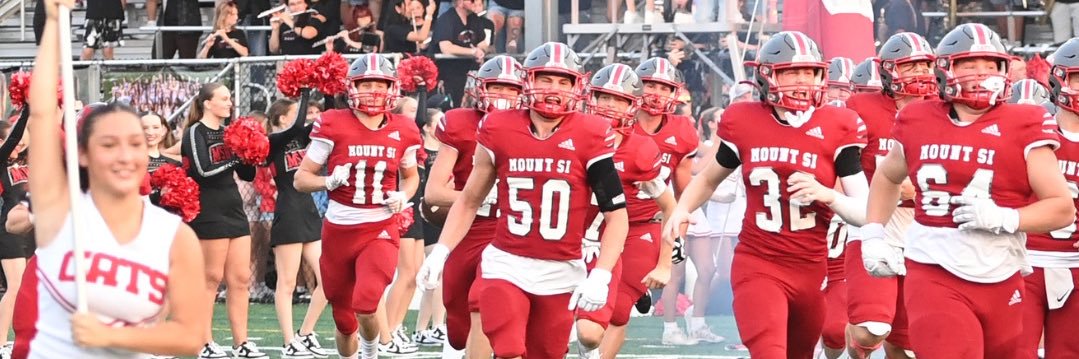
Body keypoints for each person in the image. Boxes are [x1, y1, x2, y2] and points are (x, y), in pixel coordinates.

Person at [862, 23, 1073, 358]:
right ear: (946, 69)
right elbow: (887, 176)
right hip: (932, 266)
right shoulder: (917, 118)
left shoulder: (1025, 123)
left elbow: (1061, 208)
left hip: (1001, 271)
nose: (981, 73)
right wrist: (873, 233)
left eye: (991, 65)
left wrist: (1005, 218)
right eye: (969, 64)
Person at [665, 31, 871, 358]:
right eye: (791, 72)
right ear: (767, 76)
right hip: (758, 261)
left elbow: (866, 211)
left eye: (809, 72)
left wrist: (828, 196)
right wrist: (682, 208)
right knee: (769, 351)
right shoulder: (744, 120)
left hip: (811, 268)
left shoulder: (838, 124)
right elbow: (708, 179)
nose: (802, 81)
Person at [19, 0, 208, 356]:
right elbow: (41, 113)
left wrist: (109, 337)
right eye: (108, 144)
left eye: (135, 144)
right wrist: (55, 19)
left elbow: (189, 337)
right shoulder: (59, 212)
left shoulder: (174, 237)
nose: (124, 156)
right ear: (83, 154)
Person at [417, 42, 629, 359]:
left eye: (563, 81)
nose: (554, 89)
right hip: (506, 263)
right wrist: (441, 252)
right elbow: (469, 200)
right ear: (528, 80)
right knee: (508, 349)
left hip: (562, 270)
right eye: (546, 79)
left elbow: (616, 214)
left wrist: (602, 273)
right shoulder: (498, 127)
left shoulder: (591, 133)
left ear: (576, 86)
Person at [293, 54, 422, 359]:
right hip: (339, 229)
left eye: (380, 84)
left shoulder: (405, 128)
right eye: (367, 84)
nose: (374, 90)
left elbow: (412, 177)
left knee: (366, 302)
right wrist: (327, 182)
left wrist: (403, 195)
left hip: (380, 226)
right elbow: (301, 179)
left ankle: (370, 353)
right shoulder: (333, 123)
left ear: (392, 88)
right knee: (344, 321)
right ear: (353, 87)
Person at [419, 55, 524, 359]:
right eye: (496, 87)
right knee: (457, 327)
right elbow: (434, 193)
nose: (503, 95)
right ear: (480, 89)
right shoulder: (459, 123)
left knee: (485, 301)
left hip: (512, 232)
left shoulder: (534, 126)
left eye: (511, 89)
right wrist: (477, 197)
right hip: (468, 229)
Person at [573, 64, 677, 359]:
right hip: (573, 236)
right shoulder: (571, 136)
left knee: (616, 313)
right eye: (604, 97)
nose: (609, 105)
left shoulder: (639, 150)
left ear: (632, 105)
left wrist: (665, 263)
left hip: (630, 233)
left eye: (618, 100)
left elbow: (669, 206)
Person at [843, 31, 935, 359]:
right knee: (871, 329)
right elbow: (841, 164)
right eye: (910, 66)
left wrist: (917, 190)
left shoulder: (943, 110)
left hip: (924, 229)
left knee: (906, 345)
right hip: (875, 222)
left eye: (925, 65)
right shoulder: (861, 107)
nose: (920, 73)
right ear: (888, 71)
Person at [180, 83, 264, 359]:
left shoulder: (230, 132)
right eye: (224, 98)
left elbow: (248, 176)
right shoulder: (195, 132)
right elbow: (203, 171)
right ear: (207, 103)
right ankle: (203, 341)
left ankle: (241, 343)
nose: (230, 103)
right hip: (208, 209)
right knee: (211, 278)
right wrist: (235, 157)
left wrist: (249, 153)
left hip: (233, 208)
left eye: (230, 98)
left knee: (240, 278)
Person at [631, 57, 706, 345]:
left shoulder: (682, 130)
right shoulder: (619, 120)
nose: (656, 93)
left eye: (664, 88)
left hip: (654, 217)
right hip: (612, 214)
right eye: (650, 85)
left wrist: (678, 233)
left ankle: (670, 327)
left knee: (674, 265)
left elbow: (683, 190)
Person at [1020, 36, 1079, 359]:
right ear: (1059, 79)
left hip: (1076, 264)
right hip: (1023, 260)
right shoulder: (1031, 127)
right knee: (1014, 351)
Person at [263, 96, 330, 359]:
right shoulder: (273, 141)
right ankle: (289, 341)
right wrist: (303, 90)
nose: (304, 117)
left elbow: (326, 118)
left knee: (328, 279)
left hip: (309, 211)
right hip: (288, 212)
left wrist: (328, 90)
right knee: (287, 282)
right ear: (282, 118)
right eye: (296, 113)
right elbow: (297, 126)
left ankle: (305, 333)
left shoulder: (301, 138)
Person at [411, 107, 448, 347]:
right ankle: (433, 326)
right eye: (438, 121)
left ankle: (426, 328)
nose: (443, 125)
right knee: (436, 273)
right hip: (425, 216)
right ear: (426, 127)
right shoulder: (420, 151)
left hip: (442, 216)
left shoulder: (446, 151)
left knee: (438, 275)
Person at [0, 105, 29, 359]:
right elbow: (15, 137)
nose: (19, 143)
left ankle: (24, 339)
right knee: (15, 285)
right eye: (9, 140)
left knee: (28, 286)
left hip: (31, 229)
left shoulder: (27, 161)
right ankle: (1, 342)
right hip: (8, 229)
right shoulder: (1, 161)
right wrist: (28, 108)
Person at [430, 0, 488, 107]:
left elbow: (483, 42)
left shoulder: (475, 19)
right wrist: (472, 52)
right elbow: (446, 48)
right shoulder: (446, 19)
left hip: (468, 73)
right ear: (460, 1)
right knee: (451, 107)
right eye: (471, 0)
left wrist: (481, 51)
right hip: (447, 74)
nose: (476, 2)